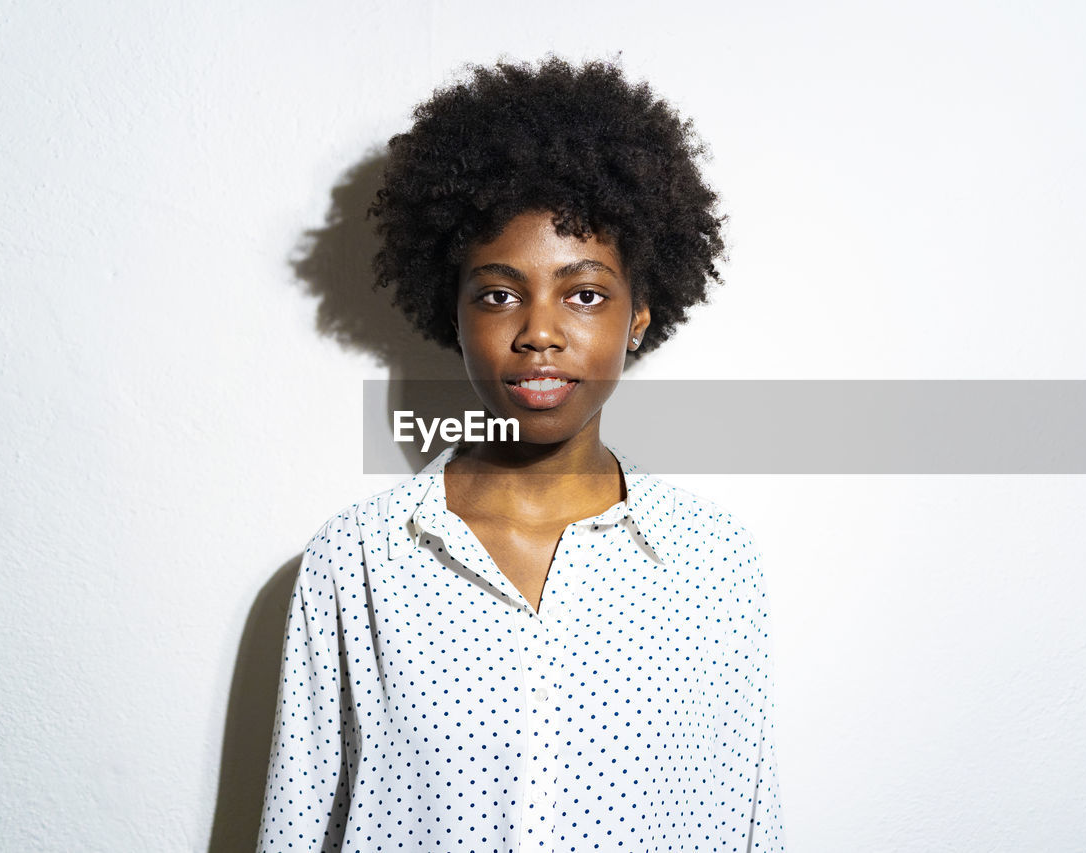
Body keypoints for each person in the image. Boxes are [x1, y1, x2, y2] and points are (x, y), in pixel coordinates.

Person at [258, 57, 785, 852]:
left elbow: (751, 830)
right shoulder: (356, 563)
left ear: (638, 313)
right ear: (456, 312)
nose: (539, 331)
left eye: (584, 293)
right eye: (500, 293)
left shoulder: (716, 565)